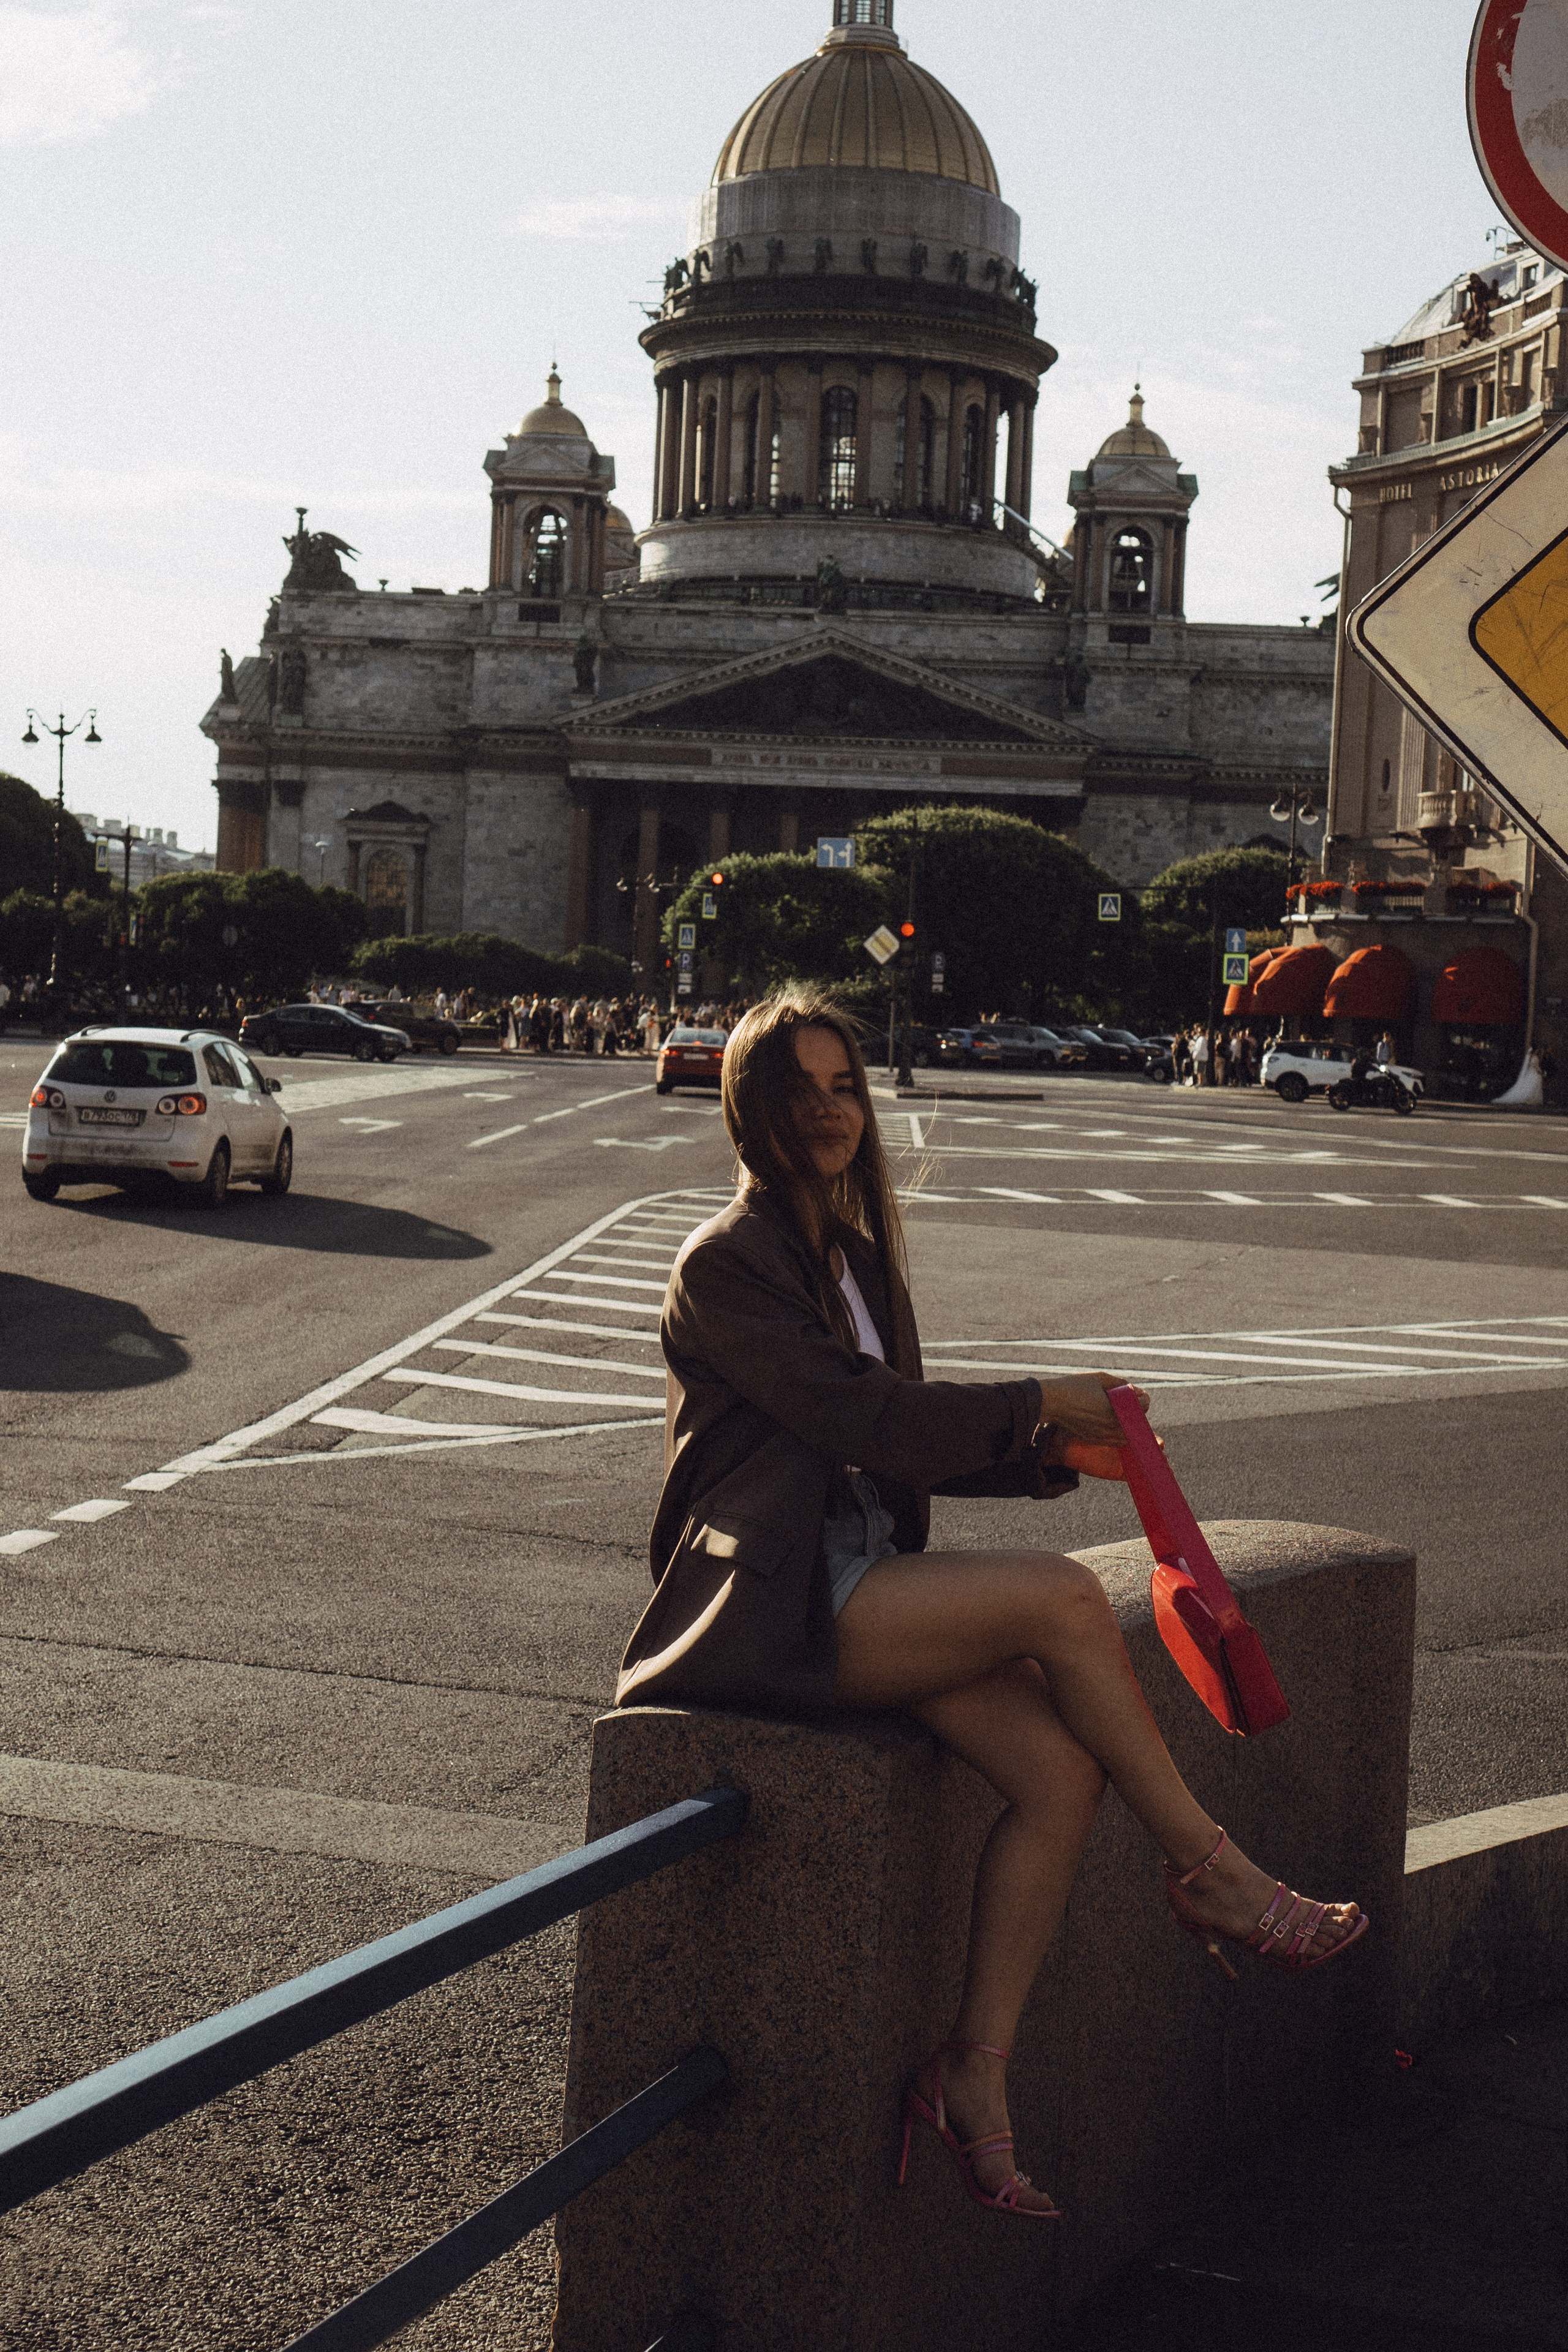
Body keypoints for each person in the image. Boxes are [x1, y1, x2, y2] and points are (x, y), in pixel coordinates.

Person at [618, 989, 1366, 2220]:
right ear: (748, 1113)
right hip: (774, 1602)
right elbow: (858, 1418)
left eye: (843, 1088)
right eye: (795, 1092)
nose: (825, 1113)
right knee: (1066, 1603)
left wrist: (1050, 1455)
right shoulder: (725, 1261)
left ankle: (972, 2069)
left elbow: (894, 1445)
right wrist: (1037, 1401)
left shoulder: (853, 1261)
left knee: (1059, 1778)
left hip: (857, 1575)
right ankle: (1211, 1872)